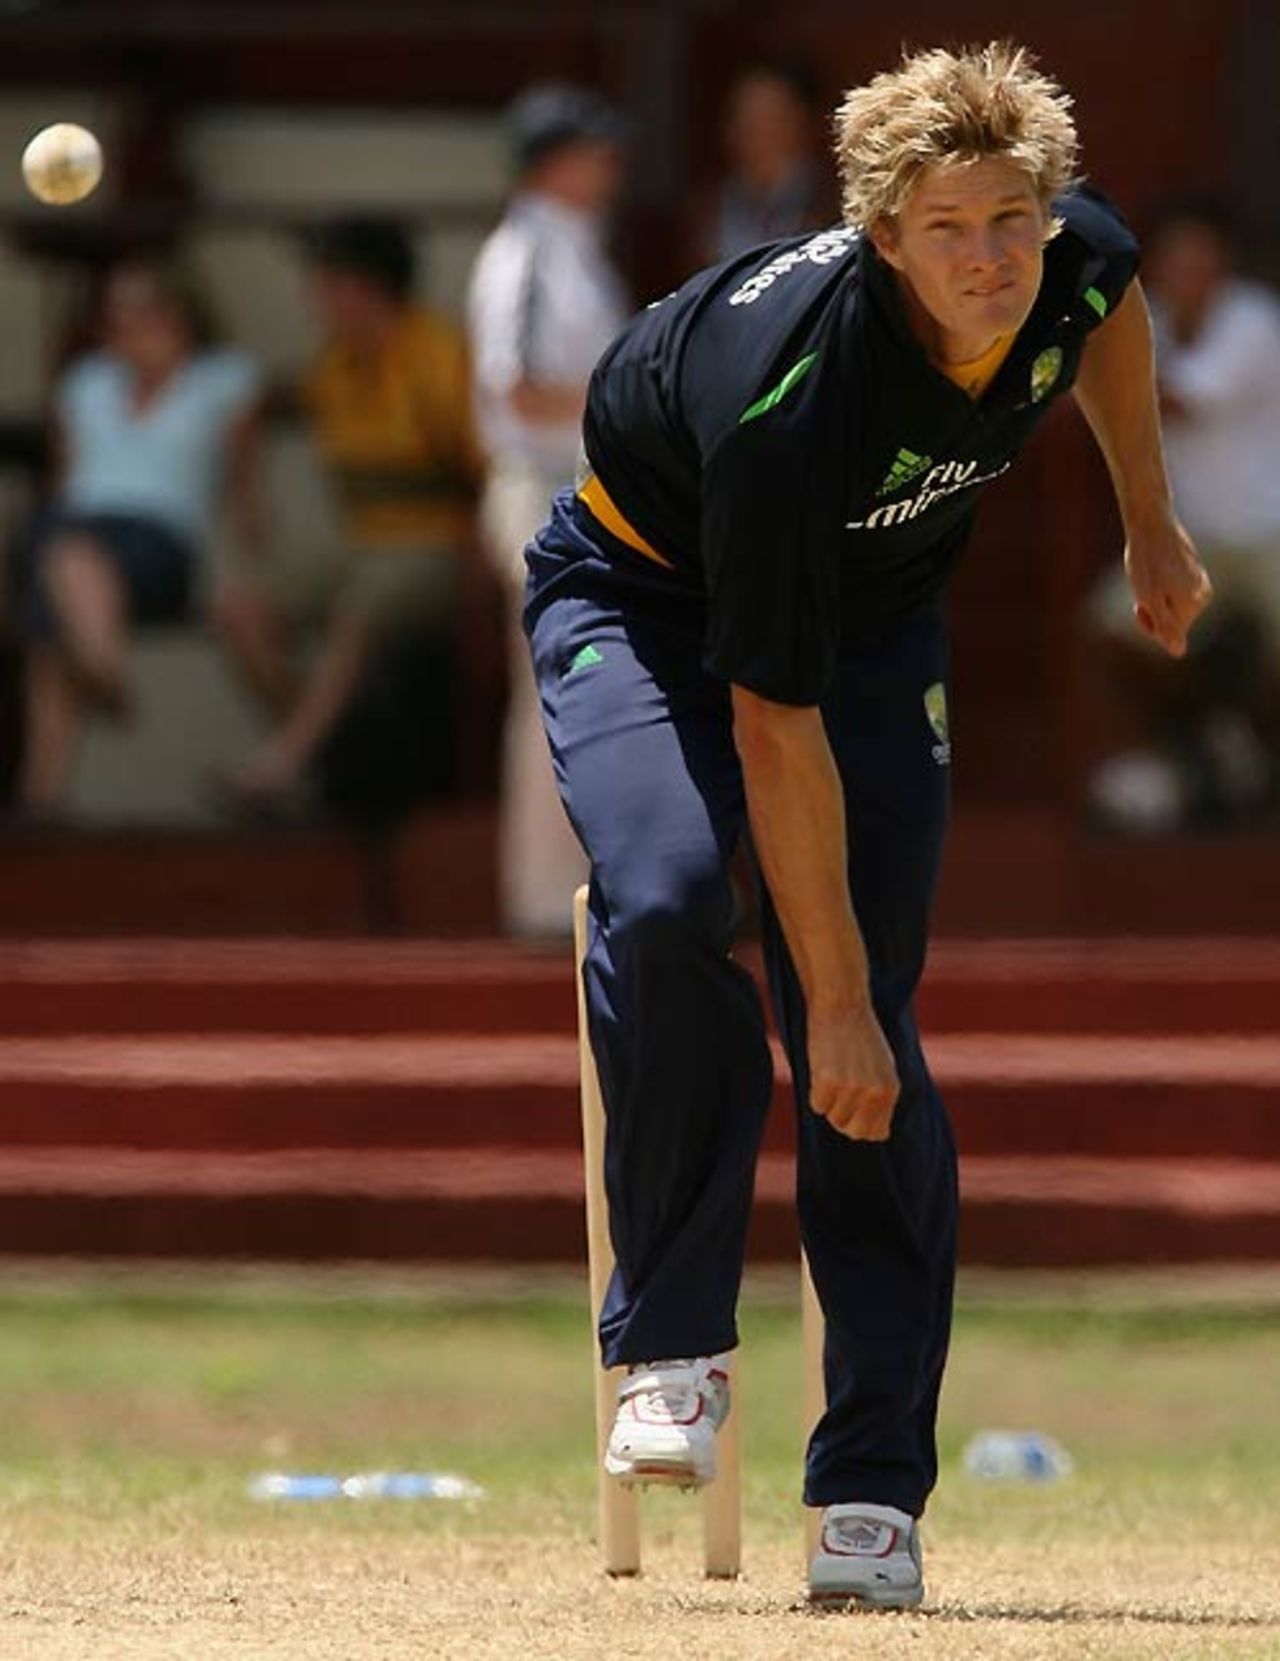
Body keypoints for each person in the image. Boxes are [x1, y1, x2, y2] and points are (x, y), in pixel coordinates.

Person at [524, 43, 1210, 1607]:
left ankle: (872, 1495)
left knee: (873, 1038)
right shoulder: (791, 396)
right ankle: (675, 1346)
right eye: (948, 228)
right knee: (677, 893)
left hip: (877, 621)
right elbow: (770, 723)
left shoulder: (1070, 251)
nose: (990, 260)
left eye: (1011, 223)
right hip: (646, 598)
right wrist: (814, 996)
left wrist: (1148, 516)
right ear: (881, 233)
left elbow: (1106, 317)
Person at [218, 216, 481, 810]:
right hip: (363, 541)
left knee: (360, 607)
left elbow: (484, 471)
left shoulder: (437, 357)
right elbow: (268, 401)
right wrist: (245, 491)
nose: (315, 298)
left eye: (326, 282)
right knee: (241, 607)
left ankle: (287, 759)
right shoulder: (334, 363)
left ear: (365, 288)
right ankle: (322, 744)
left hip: (437, 544)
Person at [16, 260, 263, 816]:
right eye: (117, 315)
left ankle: (98, 667)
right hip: (78, 531)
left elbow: (242, 485)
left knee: (60, 569)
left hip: (160, 541)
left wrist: (243, 567)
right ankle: (45, 789)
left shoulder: (223, 380)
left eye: (143, 310)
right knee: (57, 571)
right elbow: (65, 477)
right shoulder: (87, 384)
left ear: (179, 313)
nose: (128, 325)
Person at [467, 84, 628, 937]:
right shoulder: (527, 250)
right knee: (558, 685)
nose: (611, 164)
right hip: (541, 488)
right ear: (555, 161)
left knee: (589, 682)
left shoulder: (571, 247)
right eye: (595, 149)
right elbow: (519, 390)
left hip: (578, 489)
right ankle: (544, 904)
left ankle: (581, 890)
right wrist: (636, 405)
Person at [1088, 198, 1280, 831]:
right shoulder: (1147, 320)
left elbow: (1175, 399)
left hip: (1268, 538)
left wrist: (1079, 371)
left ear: (1224, 263)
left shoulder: (1253, 321)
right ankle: (1201, 743)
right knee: (1116, 630)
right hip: (1186, 544)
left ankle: (1254, 758)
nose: (1190, 269)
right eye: (1177, 258)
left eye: (1203, 256)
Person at [700, 60, 834, 265]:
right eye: (744, 119)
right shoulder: (711, 209)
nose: (753, 134)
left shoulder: (833, 203)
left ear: (801, 125)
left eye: (768, 120)